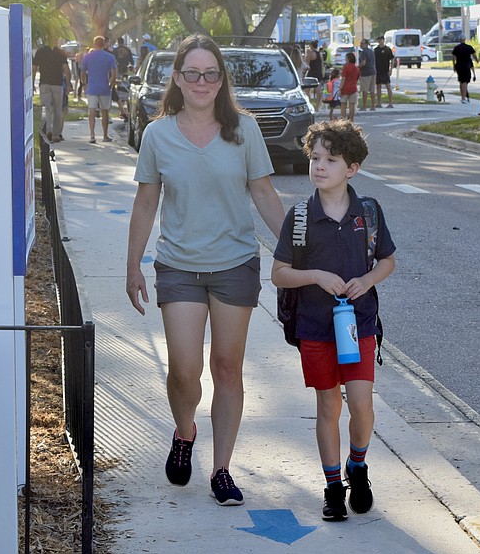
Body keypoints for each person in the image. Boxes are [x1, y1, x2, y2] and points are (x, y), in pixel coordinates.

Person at [125, 33, 286, 507]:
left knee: (227, 367)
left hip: (235, 263)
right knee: (185, 370)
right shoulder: (157, 135)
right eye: (192, 73)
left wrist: (297, 250)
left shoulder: (244, 130)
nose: (201, 81)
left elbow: (264, 194)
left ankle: (221, 469)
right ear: (177, 78)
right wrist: (132, 263)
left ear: (221, 81)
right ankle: (184, 430)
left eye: (210, 74)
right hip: (178, 265)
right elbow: (146, 200)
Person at [271, 119, 396, 522]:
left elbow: (388, 261)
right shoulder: (301, 216)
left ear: (352, 168)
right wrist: (316, 276)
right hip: (315, 326)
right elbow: (279, 273)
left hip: (358, 323)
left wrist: (367, 279)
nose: (319, 166)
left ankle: (357, 465)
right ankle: (332, 487)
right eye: (315, 158)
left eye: (331, 159)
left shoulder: (369, 212)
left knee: (361, 406)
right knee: (328, 405)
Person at [81, 36, 118, 143]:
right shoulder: (110, 57)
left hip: (92, 87)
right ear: (104, 44)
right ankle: (105, 135)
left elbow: (82, 72)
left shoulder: (88, 57)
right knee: (105, 112)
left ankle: (92, 135)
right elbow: (114, 74)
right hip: (104, 88)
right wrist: (110, 84)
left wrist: (84, 84)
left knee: (91, 111)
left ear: (94, 44)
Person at [33, 41, 71, 142]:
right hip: (57, 84)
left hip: (44, 83)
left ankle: (47, 131)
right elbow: (66, 69)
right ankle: (56, 134)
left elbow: (34, 68)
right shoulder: (60, 53)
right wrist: (68, 83)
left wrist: (32, 83)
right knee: (58, 109)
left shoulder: (40, 52)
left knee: (46, 109)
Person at [451, 36, 478, 103]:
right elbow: (474, 55)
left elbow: (453, 58)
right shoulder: (468, 47)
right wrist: (477, 60)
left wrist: (454, 66)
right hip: (466, 66)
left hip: (459, 66)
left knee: (461, 81)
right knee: (465, 82)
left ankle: (462, 97)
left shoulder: (456, 48)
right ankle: (463, 98)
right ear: (465, 39)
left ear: (460, 40)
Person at [373, 36, 394, 108]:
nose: (380, 41)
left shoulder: (387, 49)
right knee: (378, 86)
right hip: (378, 70)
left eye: (381, 40)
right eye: (378, 40)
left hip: (385, 71)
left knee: (388, 86)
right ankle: (379, 103)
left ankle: (390, 103)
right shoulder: (376, 50)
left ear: (383, 40)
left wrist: (391, 69)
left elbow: (392, 59)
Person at [339, 52, 360, 121]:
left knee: (343, 105)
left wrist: (340, 88)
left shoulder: (346, 67)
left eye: (346, 58)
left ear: (348, 59)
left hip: (345, 88)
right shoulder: (356, 68)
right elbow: (357, 79)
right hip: (353, 88)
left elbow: (343, 78)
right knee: (352, 106)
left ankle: (343, 120)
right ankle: (351, 120)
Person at [357, 39, 376, 111]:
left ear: (366, 44)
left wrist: (357, 67)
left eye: (362, 43)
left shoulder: (363, 52)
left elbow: (363, 62)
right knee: (372, 90)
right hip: (373, 72)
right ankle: (373, 106)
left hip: (365, 73)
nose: (360, 44)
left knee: (364, 90)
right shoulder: (371, 51)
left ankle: (364, 106)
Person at [305, 40, 325, 109]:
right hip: (318, 73)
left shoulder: (310, 53)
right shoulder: (320, 54)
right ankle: (317, 106)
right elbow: (322, 65)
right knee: (318, 91)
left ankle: (309, 104)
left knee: (307, 90)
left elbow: (306, 64)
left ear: (311, 46)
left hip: (311, 73)